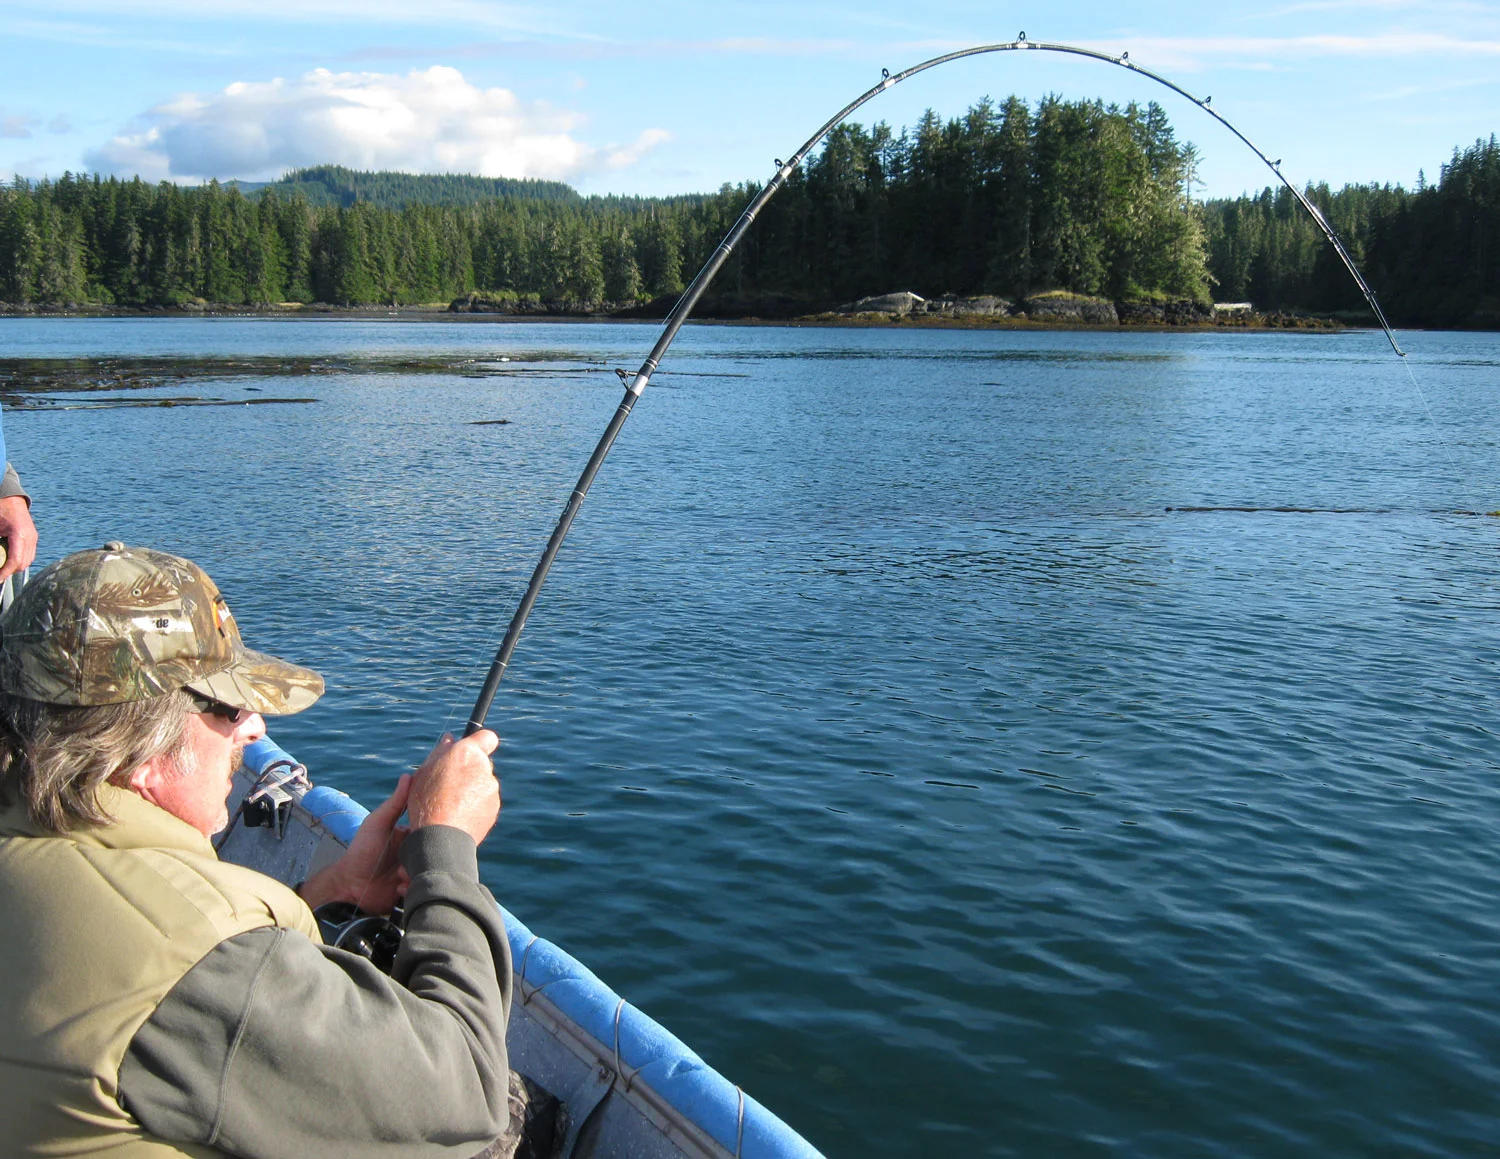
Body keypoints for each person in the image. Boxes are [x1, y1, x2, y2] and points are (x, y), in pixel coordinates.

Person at [0, 542, 514, 1157]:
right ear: (137, 751)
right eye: (226, 706)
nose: (254, 726)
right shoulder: (197, 963)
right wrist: (445, 845)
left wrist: (333, 893)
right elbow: (467, 1095)